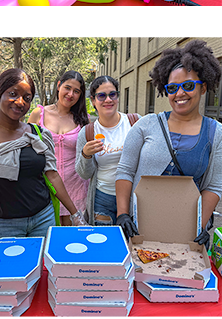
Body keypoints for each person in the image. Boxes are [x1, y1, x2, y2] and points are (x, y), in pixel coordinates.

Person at [0, 68, 83, 266]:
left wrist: (75, 215)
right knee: (10, 272)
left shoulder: (38, 134)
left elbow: (52, 176)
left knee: (43, 271)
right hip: (5, 225)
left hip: (43, 218)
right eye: (13, 94)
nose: (20, 102)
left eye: (27, 98)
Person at [115, 40, 222, 243]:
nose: (179, 93)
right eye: (172, 88)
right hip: (139, 226)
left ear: (203, 88)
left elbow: (214, 186)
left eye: (188, 86)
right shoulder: (146, 125)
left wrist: (198, 226)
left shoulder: (216, 133)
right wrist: (123, 214)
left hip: (186, 230)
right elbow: (125, 171)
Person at [76, 76, 139, 224]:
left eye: (112, 94)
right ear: (93, 101)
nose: (108, 100)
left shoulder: (135, 122)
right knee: (104, 238)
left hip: (133, 196)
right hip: (102, 198)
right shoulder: (87, 132)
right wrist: (86, 155)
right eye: (101, 96)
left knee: (132, 238)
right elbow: (84, 174)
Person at [28, 69, 90, 222]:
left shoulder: (83, 120)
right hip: (45, 187)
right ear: (58, 86)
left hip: (76, 189)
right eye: (67, 88)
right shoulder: (39, 114)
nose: (70, 94)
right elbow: (26, 149)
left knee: (71, 235)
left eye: (76, 91)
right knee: (49, 233)